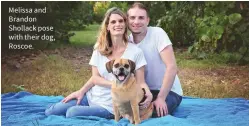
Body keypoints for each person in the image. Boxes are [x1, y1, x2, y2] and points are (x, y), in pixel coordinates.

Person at [45, 7, 153, 119]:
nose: (118, 24)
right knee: (52, 112)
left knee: (71, 113)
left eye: (121, 21)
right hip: (92, 96)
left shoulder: (135, 52)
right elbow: (95, 78)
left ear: (125, 25)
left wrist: (147, 92)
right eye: (113, 22)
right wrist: (81, 92)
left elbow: (141, 82)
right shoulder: (100, 48)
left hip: (110, 105)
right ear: (107, 27)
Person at [127, 2, 183, 117]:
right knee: (127, 110)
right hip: (146, 91)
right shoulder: (128, 42)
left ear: (147, 20)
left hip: (169, 91)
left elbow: (172, 67)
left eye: (141, 18)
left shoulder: (158, 33)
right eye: (132, 17)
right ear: (127, 20)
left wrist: (161, 98)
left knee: (152, 112)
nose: (136, 22)